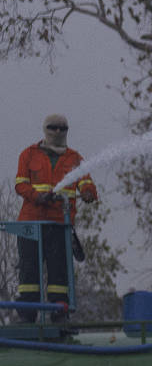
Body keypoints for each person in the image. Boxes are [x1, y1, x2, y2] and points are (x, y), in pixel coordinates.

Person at [14, 113, 96, 321]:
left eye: (63, 128)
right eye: (53, 127)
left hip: (59, 225)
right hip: (30, 225)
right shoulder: (28, 154)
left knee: (59, 272)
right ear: (45, 129)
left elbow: (86, 182)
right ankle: (27, 316)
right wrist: (37, 197)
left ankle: (59, 315)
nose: (58, 132)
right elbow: (20, 184)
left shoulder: (75, 158)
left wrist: (88, 192)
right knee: (29, 271)